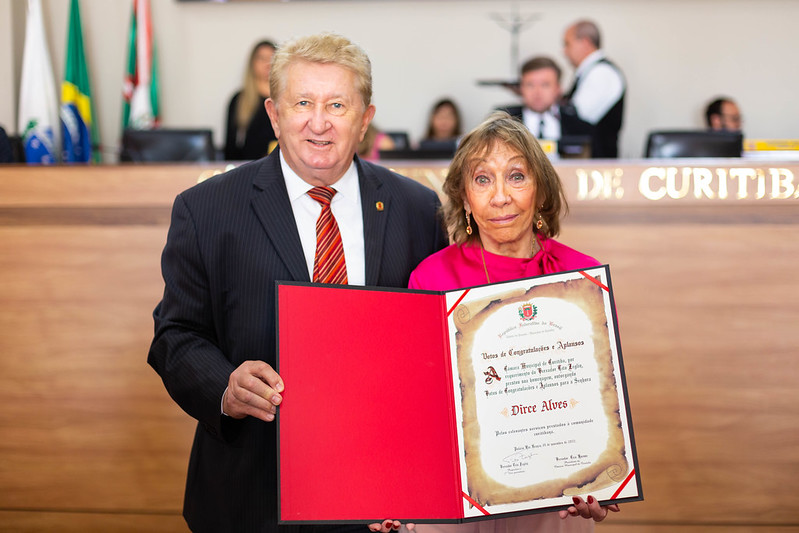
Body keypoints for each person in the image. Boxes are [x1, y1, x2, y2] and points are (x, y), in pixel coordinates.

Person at [149, 32, 448, 533]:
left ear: (366, 118)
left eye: (337, 104)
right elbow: (175, 336)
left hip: (385, 500)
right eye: (303, 103)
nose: (318, 122)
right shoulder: (206, 209)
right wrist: (224, 385)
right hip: (252, 494)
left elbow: (442, 345)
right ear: (273, 114)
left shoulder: (418, 210)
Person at [398, 112, 620, 532]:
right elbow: (414, 399)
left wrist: (604, 480)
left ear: (540, 191)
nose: (500, 196)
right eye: (482, 180)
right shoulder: (430, 278)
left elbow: (601, 397)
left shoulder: (582, 280)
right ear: (464, 196)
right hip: (455, 494)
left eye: (516, 176)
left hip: (558, 497)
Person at [497, 56, 593, 151]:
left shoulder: (581, 128)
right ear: (521, 88)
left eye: (545, 85)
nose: (537, 92)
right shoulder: (502, 124)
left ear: (558, 88)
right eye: (530, 85)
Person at [561, 20, 625, 158]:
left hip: (598, 167)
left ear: (585, 42)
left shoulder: (602, 73)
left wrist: (550, 103)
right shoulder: (590, 72)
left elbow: (577, 119)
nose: (564, 51)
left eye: (567, 44)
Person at [224, 40, 278, 160]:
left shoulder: (285, 99)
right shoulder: (239, 100)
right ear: (252, 63)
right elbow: (231, 146)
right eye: (262, 58)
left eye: (272, 58)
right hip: (247, 167)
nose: (267, 63)